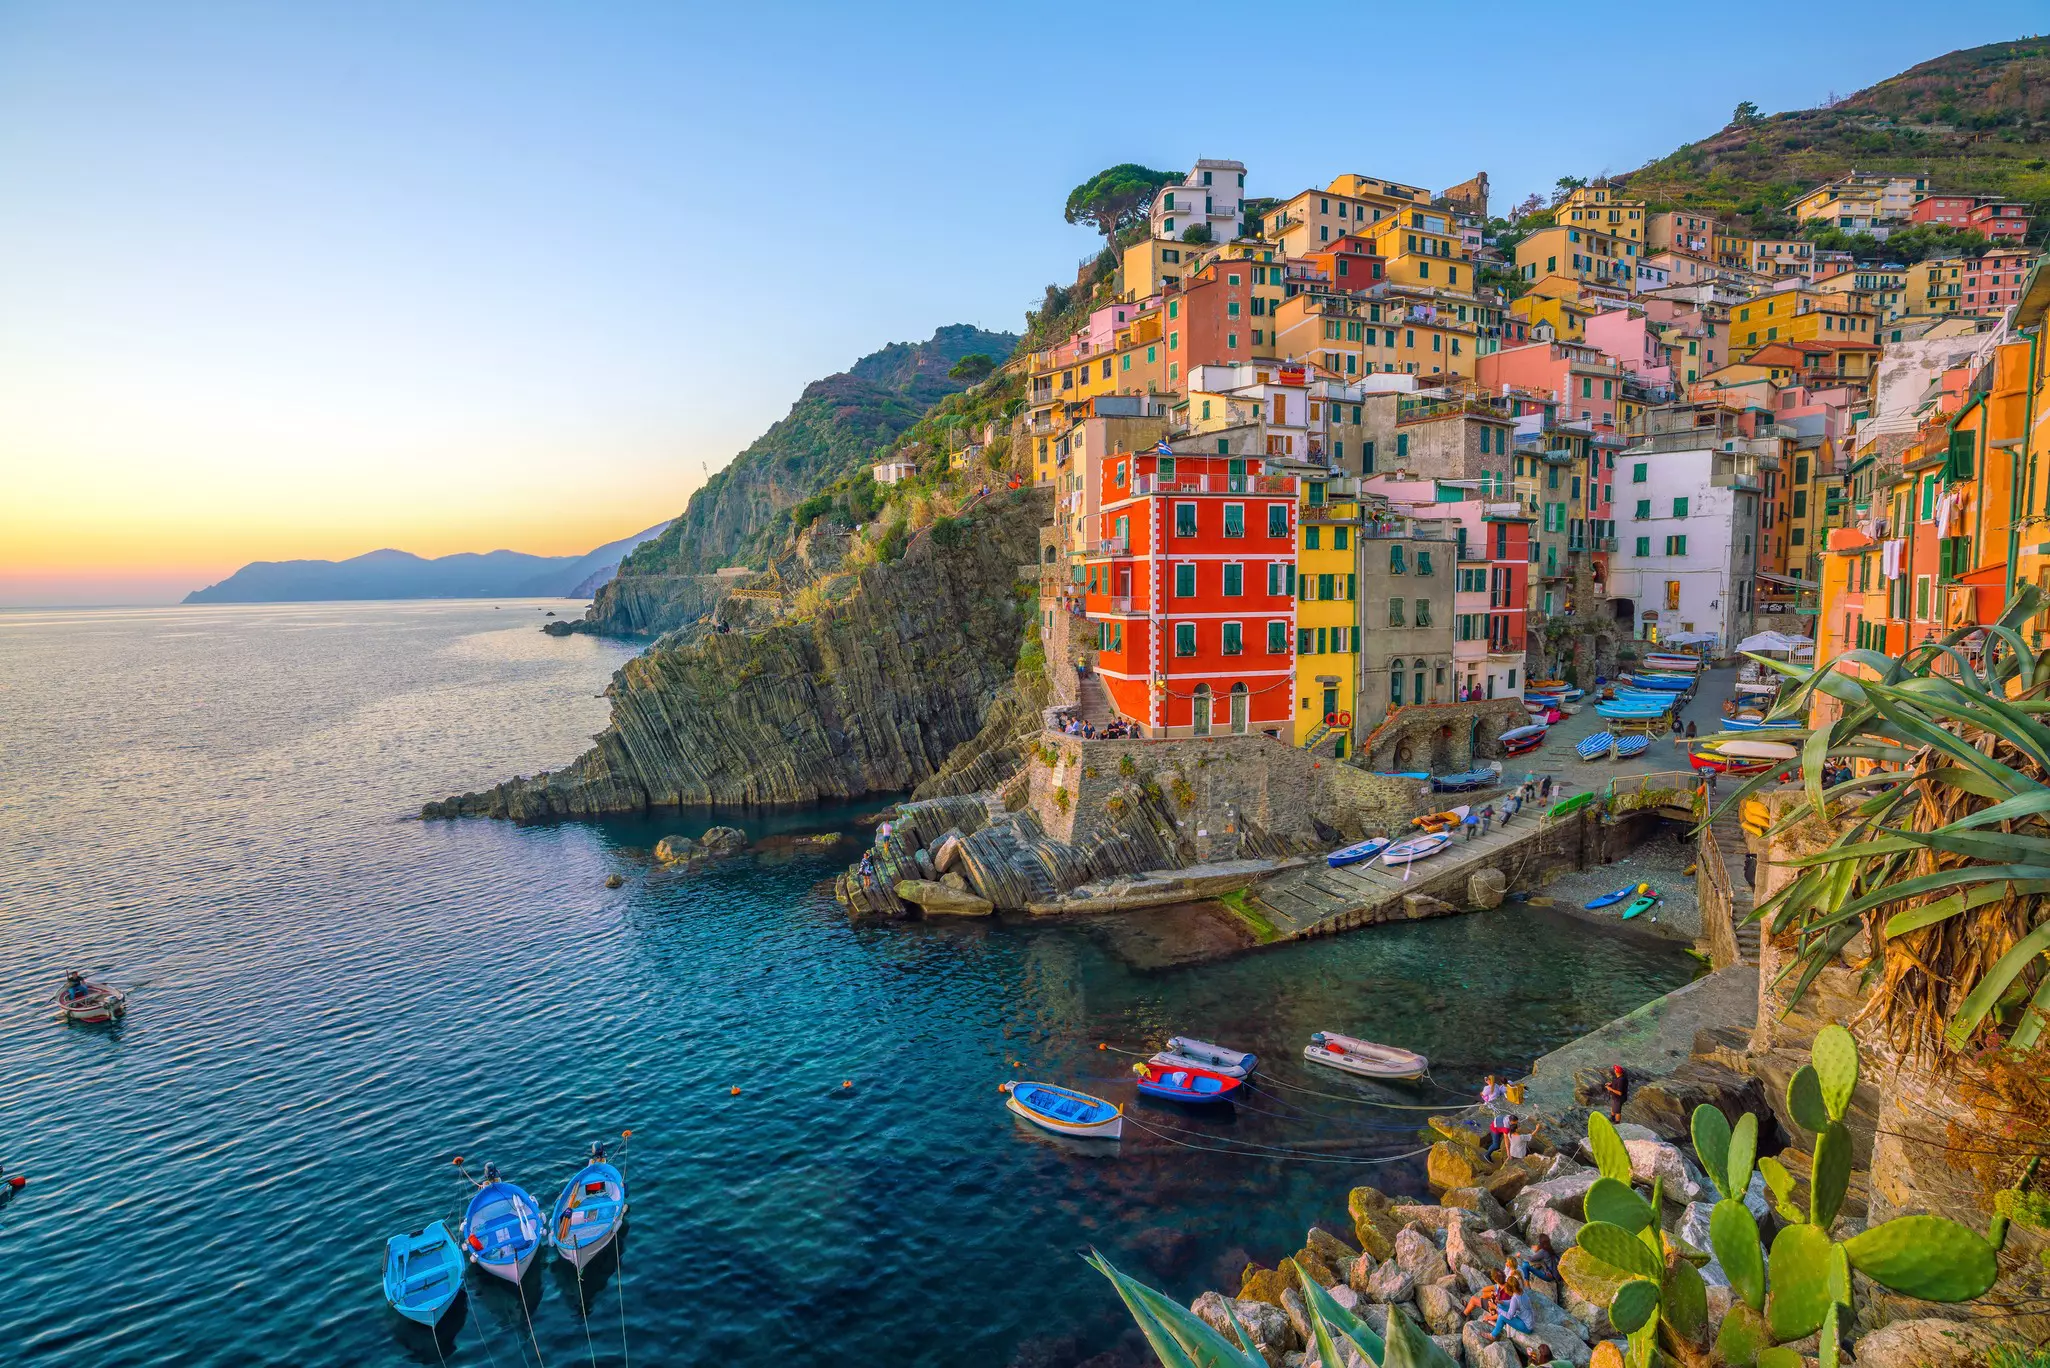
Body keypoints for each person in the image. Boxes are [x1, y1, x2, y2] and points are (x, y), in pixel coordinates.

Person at [1486, 1274, 1533, 1339]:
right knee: (1501, 1307)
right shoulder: (1521, 1291)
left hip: (1527, 1327)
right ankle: (1497, 1325)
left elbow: (1509, 1316)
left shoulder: (1515, 1298)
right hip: (1527, 1320)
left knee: (1502, 1316)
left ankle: (1492, 1335)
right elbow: (1512, 1302)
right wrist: (1501, 1302)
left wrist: (1495, 1307)